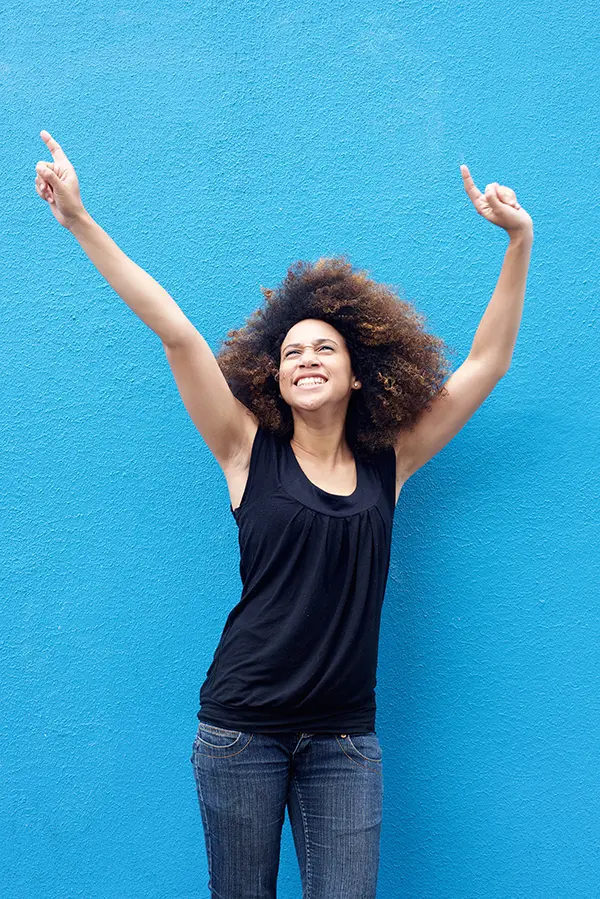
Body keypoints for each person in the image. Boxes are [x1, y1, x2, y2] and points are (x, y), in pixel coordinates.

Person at [34, 130, 533, 899]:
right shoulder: (244, 447)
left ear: (361, 375)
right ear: (275, 371)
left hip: (344, 738)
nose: (305, 359)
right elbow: (176, 331)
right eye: (293, 350)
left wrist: (518, 242)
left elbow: (486, 363)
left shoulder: (389, 462)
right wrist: (79, 219)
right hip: (240, 732)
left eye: (325, 349)